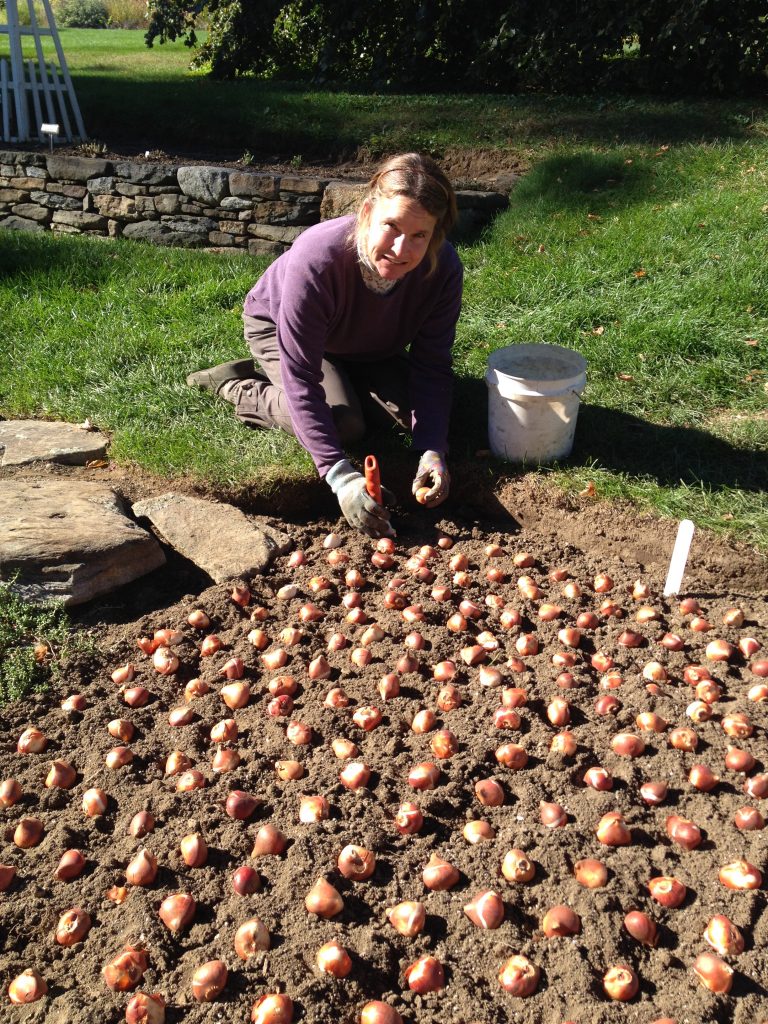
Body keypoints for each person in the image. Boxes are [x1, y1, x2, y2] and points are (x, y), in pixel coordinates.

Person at [187, 152, 463, 538]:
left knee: (416, 418)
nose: (402, 250)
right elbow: (302, 378)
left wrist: (432, 450)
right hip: (279, 327)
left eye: (420, 235)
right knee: (343, 422)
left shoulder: (443, 268)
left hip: (368, 343)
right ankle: (235, 385)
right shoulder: (317, 258)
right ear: (367, 212)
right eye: (392, 226)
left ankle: (345, 381)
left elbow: (432, 365)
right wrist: (339, 476)